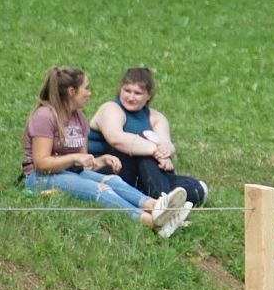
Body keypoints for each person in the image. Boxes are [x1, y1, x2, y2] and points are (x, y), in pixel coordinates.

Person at [21, 66, 186, 237]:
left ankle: (156, 207)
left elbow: (84, 163)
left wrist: (102, 160)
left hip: (70, 171)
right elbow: (41, 164)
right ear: (71, 92)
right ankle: (153, 223)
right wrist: (74, 157)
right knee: (100, 189)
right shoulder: (45, 116)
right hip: (38, 177)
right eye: (86, 88)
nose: (89, 93)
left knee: (113, 180)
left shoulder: (79, 118)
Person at [88, 67, 206, 236]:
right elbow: (116, 138)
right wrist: (154, 150)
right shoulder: (111, 109)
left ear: (149, 95)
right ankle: (163, 204)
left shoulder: (155, 117)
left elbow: (167, 144)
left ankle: (164, 201)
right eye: (127, 90)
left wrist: (165, 152)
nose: (130, 97)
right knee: (144, 144)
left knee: (196, 188)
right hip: (108, 167)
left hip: (141, 175)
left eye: (137, 93)